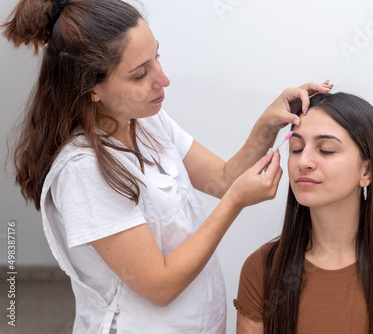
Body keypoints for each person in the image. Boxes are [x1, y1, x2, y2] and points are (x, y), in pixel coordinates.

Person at [1, 0, 332, 333]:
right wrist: (236, 203)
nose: (163, 79)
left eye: (156, 57)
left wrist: (267, 124)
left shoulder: (146, 122)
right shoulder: (83, 170)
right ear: (92, 89)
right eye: (140, 73)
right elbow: (159, 286)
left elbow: (222, 178)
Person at [234, 92, 373, 334]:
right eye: (297, 148)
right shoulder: (262, 269)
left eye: (327, 150)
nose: (304, 162)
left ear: (368, 171)